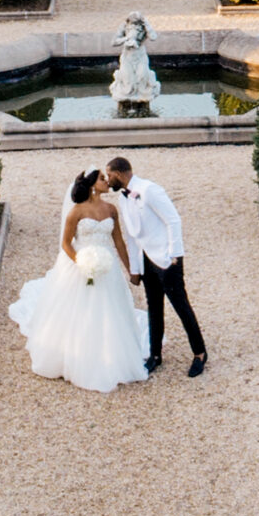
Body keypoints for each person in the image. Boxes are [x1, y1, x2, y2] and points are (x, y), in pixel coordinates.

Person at [5, 170, 150, 393]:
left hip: (108, 269)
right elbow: (66, 243)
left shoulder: (111, 210)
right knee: (81, 311)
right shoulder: (76, 212)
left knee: (110, 310)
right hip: (81, 267)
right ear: (92, 185)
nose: (106, 181)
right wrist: (81, 261)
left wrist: (132, 270)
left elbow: (119, 242)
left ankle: (112, 356)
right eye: (102, 178)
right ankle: (78, 357)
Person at [107, 156, 207, 377]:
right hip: (146, 261)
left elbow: (173, 220)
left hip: (166, 259)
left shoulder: (150, 190)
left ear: (120, 173)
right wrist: (135, 268)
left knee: (181, 307)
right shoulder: (123, 198)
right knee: (154, 308)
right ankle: (155, 355)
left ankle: (200, 353)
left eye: (110, 175)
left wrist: (174, 255)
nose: (108, 180)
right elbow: (132, 235)